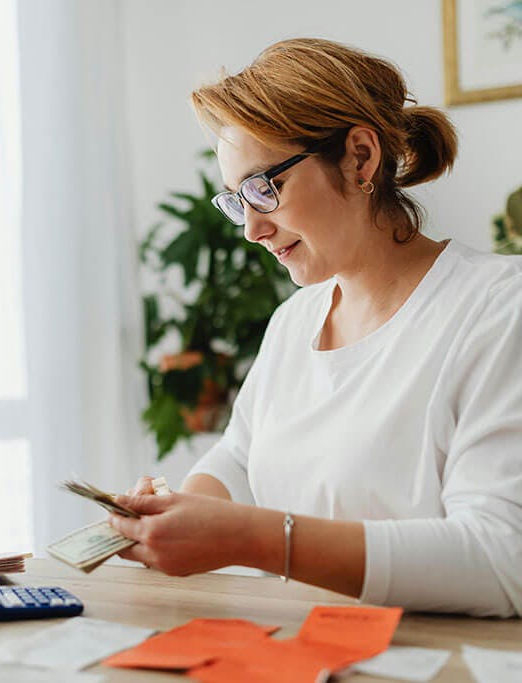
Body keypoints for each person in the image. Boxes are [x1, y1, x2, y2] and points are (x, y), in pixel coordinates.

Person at [109, 38, 522, 618]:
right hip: (300, 648)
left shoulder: (501, 308)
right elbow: (241, 458)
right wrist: (176, 511)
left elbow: (501, 556)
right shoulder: (295, 321)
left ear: (359, 157)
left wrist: (249, 538)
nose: (251, 229)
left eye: (264, 188)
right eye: (236, 200)